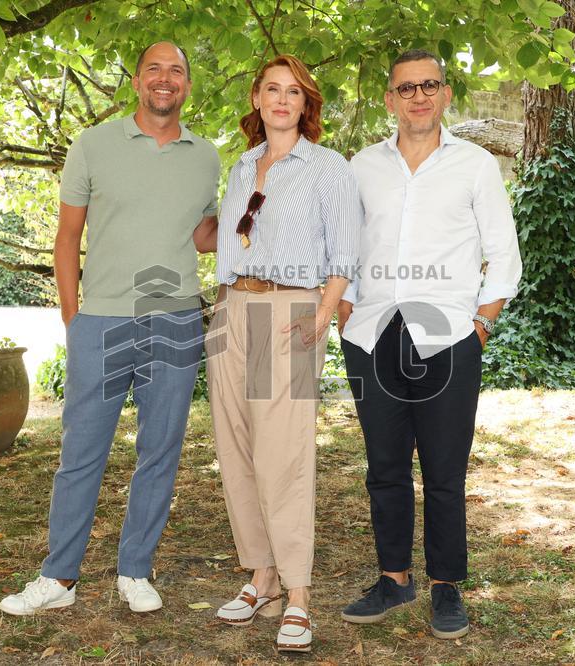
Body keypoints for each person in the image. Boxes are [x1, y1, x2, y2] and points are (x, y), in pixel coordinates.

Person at [0, 41, 221, 616]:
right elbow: (67, 236)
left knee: (161, 450)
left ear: (188, 86)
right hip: (100, 320)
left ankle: (136, 570)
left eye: (177, 71)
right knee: (81, 451)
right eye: (155, 70)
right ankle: (59, 578)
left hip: (174, 319)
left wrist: (265, 220)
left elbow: (201, 235)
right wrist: (74, 318)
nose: (165, 80)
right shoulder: (92, 145)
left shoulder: (207, 156)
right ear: (137, 82)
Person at [337, 49, 522, 639]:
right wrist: (345, 312)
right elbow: (344, 247)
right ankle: (394, 578)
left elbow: (505, 251)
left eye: (429, 86)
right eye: (406, 88)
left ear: (445, 94)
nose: (418, 96)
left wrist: (483, 323)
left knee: (445, 469)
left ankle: (446, 586)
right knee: (384, 468)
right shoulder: (361, 166)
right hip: (372, 334)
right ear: (390, 100)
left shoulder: (474, 166)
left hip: (447, 335)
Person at [206, 54, 361, 653]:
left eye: (292, 92)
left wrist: (319, 318)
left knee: (284, 453)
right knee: (237, 446)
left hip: (288, 312)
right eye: (271, 89)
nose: (280, 100)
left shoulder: (326, 168)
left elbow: (344, 254)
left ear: (305, 104)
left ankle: (297, 594)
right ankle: (261, 577)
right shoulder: (243, 167)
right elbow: (231, 242)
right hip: (232, 310)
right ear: (256, 97)